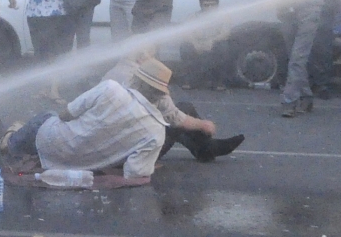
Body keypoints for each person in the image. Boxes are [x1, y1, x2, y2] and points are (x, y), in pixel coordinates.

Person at [2, 59, 171, 180]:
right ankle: (20, 135)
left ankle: (11, 141)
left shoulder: (111, 88)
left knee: (49, 115)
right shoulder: (157, 132)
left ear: (136, 80)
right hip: (83, 166)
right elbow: (134, 172)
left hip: (51, 143)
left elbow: (65, 115)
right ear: (161, 96)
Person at [104, 52, 244, 163]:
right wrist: (204, 125)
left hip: (112, 148)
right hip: (136, 153)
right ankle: (207, 149)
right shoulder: (151, 88)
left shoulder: (114, 74)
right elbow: (176, 118)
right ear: (142, 58)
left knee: (167, 121)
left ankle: (205, 149)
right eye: (152, 56)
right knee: (184, 109)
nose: (155, 59)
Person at [176, 0, 230, 89]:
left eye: (212, 5)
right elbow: (185, 33)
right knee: (185, 47)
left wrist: (212, 41)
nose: (209, 8)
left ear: (217, 5)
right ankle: (189, 81)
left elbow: (226, 33)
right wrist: (195, 43)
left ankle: (218, 82)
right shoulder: (192, 17)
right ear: (201, 6)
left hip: (214, 44)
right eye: (206, 5)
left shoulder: (223, 16)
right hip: (197, 44)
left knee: (224, 47)